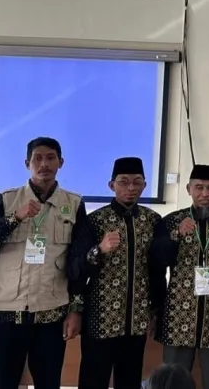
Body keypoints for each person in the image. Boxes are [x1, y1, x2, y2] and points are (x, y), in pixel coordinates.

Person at [0, 137, 86, 389]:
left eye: (51, 158)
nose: (44, 164)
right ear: (27, 164)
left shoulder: (74, 204)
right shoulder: (6, 200)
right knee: (1, 383)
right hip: (9, 314)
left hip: (52, 314)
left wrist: (76, 310)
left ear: (61, 162)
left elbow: (78, 262)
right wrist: (15, 218)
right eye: (38, 159)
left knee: (48, 383)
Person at [69, 157, 166, 389]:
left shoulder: (153, 221)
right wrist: (100, 249)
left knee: (130, 381)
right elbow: (76, 268)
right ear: (111, 185)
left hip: (136, 321)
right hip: (99, 319)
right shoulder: (95, 221)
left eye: (137, 182)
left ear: (144, 185)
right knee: (93, 380)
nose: (130, 187)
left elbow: (157, 271)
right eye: (123, 182)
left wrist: (156, 310)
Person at [151, 164, 209, 389]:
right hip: (179, 315)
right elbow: (157, 260)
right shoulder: (172, 221)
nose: (205, 193)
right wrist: (176, 235)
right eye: (199, 187)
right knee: (172, 381)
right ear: (188, 189)